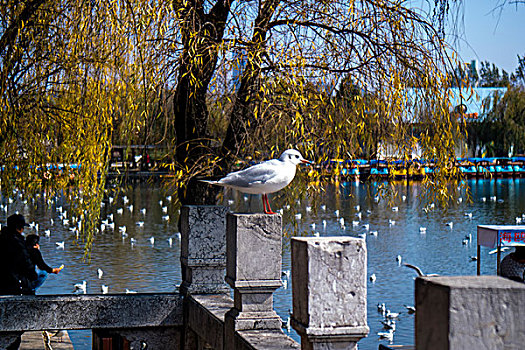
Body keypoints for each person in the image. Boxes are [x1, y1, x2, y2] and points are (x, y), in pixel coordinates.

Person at [0, 214, 38, 350]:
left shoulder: (2, 239)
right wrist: (33, 275)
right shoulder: (17, 243)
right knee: (15, 327)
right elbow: (27, 266)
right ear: (18, 228)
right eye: (22, 227)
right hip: (16, 287)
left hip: (2, 287)